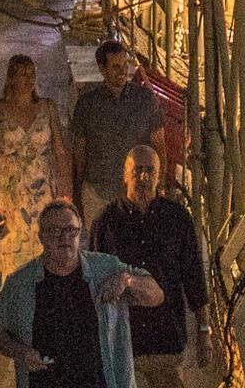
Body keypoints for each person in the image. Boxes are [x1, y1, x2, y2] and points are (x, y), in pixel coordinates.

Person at [0, 198, 163, 388]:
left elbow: (156, 295)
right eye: (55, 231)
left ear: (80, 233)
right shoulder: (20, 283)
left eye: (71, 230)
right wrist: (21, 353)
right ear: (41, 237)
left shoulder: (105, 269)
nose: (65, 238)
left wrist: (127, 281)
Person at [90, 144, 210, 388]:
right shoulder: (106, 221)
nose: (144, 177)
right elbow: (93, 279)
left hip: (166, 340)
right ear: (125, 175)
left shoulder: (176, 218)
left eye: (150, 171)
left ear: (158, 174)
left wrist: (204, 330)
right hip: (124, 342)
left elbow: (193, 276)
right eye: (138, 170)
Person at [0, 53, 72, 279]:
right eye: (22, 74)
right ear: (11, 78)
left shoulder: (47, 107)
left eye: (31, 74)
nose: (28, 79)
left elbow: (60, 151)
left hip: (41, 189)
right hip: (9, 191)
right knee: (12, 251)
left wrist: (65, 192)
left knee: (44, 246)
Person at [71, 39, 167, 231]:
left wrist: (160, 186)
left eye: (124, 65)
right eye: (115, 67)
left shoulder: (145, 99)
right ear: (102, 69)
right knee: (100, 252)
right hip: (98, 193)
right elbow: (80, 151)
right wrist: (77, 190)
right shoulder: (87, 104)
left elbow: (159, 147)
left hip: (137, 194)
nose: (122, 71)